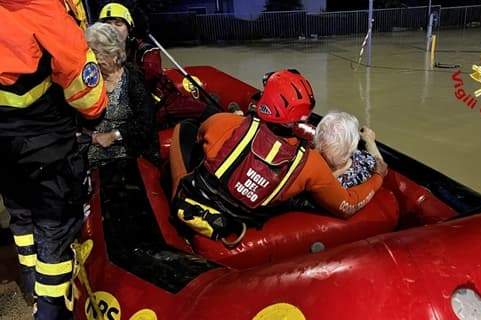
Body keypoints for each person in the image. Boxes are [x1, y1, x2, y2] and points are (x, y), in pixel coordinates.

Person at [169, 70, 386, 241]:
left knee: (185, 127)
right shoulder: (310, 163)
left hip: (194, 203)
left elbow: (198, 136)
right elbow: (346, 206)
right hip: (238, 221)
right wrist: (378, 177)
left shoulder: (223, 123)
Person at [0, 0, 107, 318]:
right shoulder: (45, 13)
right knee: (53, 233)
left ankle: (31, 285)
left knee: (20, 215)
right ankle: (49, 310)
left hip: (3, 149)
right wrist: (94, 116)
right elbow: (87, 97)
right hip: (45, 143)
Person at [98, 2, 218, 124]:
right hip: (132, 106)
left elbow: (150, 74)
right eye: (108, 25)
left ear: (129, 29)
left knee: (208, 112)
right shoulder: (96, 54)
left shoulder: (146, 50)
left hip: (164, 102)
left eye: (118, 24)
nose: (112, 29)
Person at [84, 22, 158, 167]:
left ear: (114, 53)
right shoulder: (87, 79)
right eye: (89, 53)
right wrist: (90, 137)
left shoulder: (132, 78)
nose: (93, 59)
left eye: (97, 53)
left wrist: (114, 135)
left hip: (127, 156)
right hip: (88, 155)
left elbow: (146, 124)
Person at [314, 111, 388, 188]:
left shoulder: (312, 171)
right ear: (353, 147)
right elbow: (381, 167)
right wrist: (370, 142)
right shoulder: (364, 165)